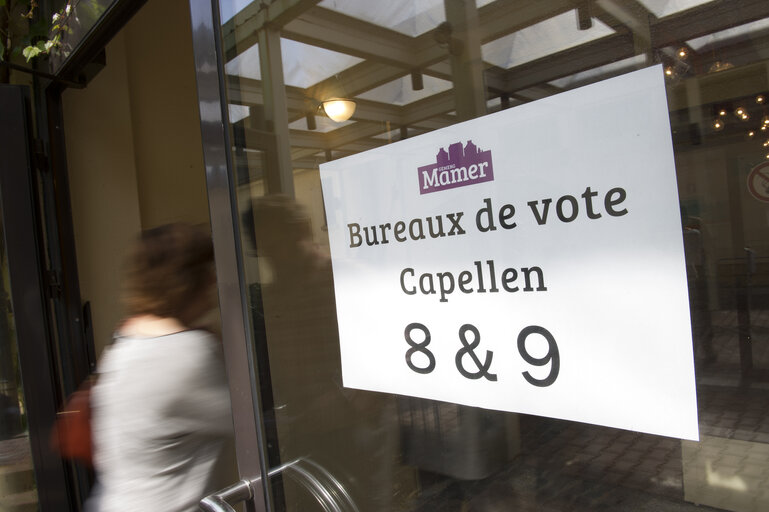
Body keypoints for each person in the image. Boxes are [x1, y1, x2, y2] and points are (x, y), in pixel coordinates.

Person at [86, 223, 233, 512]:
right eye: (208, 270)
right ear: (188, 281)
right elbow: (251, 421)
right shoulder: (188, 353)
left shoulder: (124, 341)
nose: (214, 279)